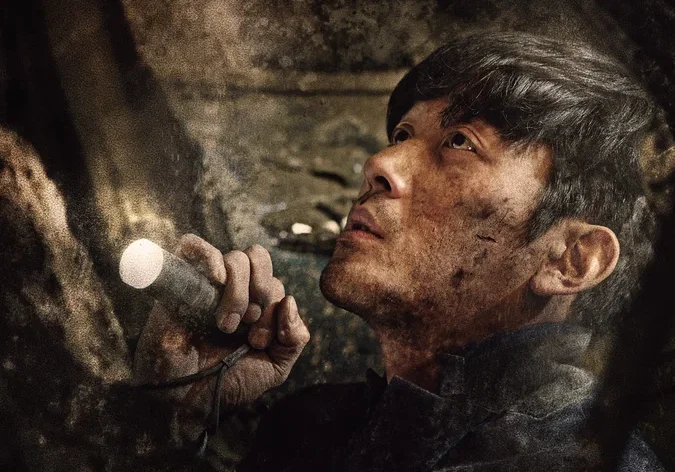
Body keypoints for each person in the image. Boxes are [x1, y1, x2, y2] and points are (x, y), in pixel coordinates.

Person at [133, 31, 667, 471]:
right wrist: (174, 411)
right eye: (402, 135)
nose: (380, 164)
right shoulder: (306, 429)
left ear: (573, 261)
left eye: (460, 142)